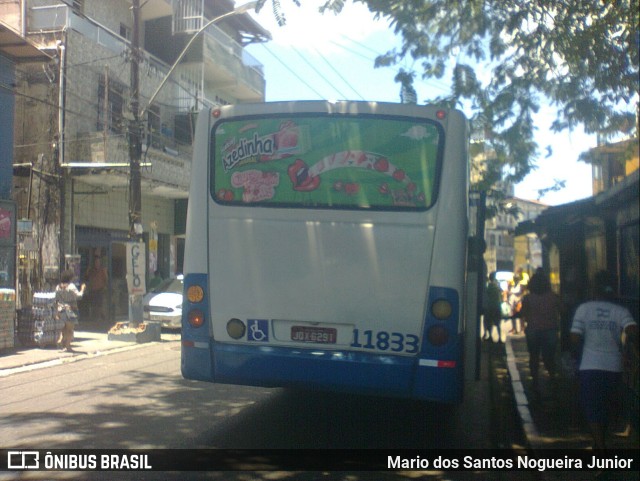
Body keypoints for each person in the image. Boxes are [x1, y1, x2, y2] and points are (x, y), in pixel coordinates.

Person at [570, 270, 638, 451]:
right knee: (607, 408)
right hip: (614, 367)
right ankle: (601, 443)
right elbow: (632, 330)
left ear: (594, 288)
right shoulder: (621, 311)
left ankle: (600, 447)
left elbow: (575, 338)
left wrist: (576, 357)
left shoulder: (583, 309)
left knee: (592, 408)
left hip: (589, 367)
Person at [520, 269, 561, 387]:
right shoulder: (553, 297)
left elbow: (524, 313)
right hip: (550, 330)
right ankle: (552, 377)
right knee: (549, 356)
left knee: (534, 356)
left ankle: (535, 380)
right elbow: (562, 309)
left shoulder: (528, 298)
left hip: (533, 330)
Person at [55, 269, 86, 352]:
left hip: (61, 309)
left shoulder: (58, 287)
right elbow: (79, 296)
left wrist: (56, 312)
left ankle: (62, 340)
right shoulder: (71, 286)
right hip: (71, 310)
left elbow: (56, 299)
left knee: (64, 328)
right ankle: (67, 346)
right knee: (70, 329)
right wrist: (82, 289)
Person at [85, 256, 108, 322]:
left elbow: (106, 279)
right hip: (93, 289)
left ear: (100, 263)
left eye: (98, 262)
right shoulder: (92, 270)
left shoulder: (102, 270)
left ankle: (102, 316)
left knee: (100, 304)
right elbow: (86, 277)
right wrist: (88, 270)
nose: (97, 263)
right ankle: (94, 317)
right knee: (93, 304)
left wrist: (105, 286)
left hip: (100, 289)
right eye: (96, 262)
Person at [483, 272, 503, 342]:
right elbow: (501, 292)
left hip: (490, 306)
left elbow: (486, 295)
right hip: (497, 306)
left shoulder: (489, 286)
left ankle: (490, 336)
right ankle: (500, 338)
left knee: (489, 322)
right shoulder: (497, 285)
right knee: (497, 323)